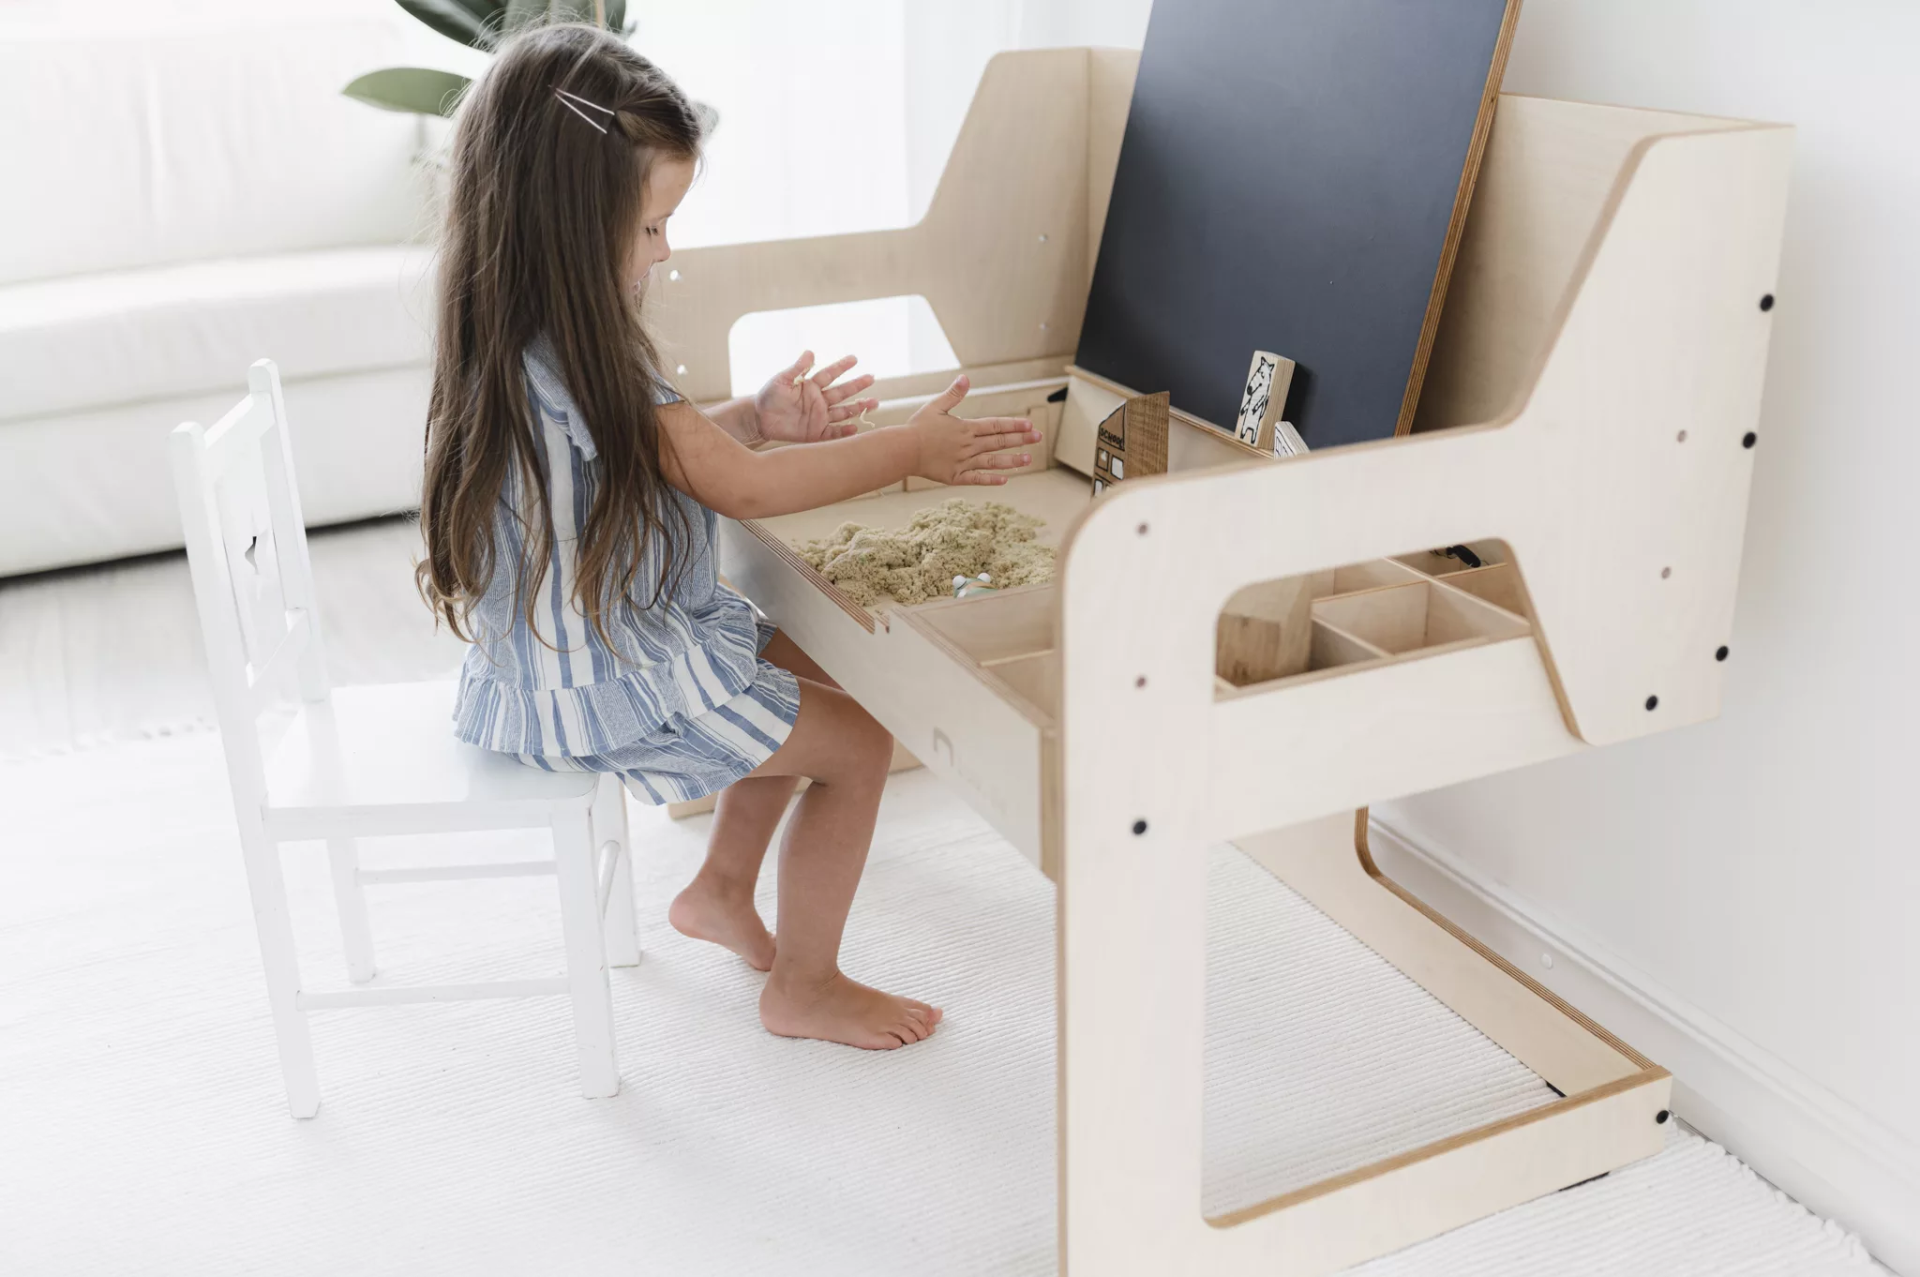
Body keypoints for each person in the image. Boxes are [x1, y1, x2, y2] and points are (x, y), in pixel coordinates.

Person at [416, 22, 1039, 1050]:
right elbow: (742, 490)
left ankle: (720, 887)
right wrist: (908, 449)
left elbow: (656, 453)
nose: (666, 250)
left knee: (804, 658)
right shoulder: (587, 358)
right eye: (652, 226)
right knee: (860, 745)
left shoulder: (527, 334)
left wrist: (752, 415)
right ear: (570, 223)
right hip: (602, 678)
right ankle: (807, 984)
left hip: (562, 651)